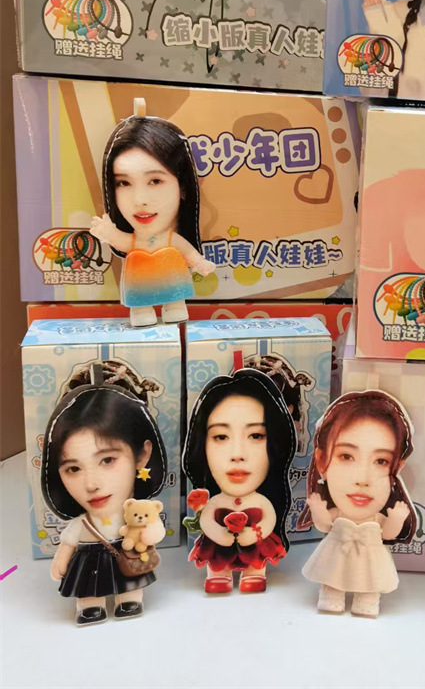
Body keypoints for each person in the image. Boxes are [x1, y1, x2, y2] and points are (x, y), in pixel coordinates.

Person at [42, 362, 167, 625]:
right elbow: (69, 542)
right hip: (88, 557)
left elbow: (153, 532)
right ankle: (90, 607)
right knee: (88, 587)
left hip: (127, 551)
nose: (91, 485)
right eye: (73, 468)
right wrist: (62, 559)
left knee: (129, 582)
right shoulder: (81, 523)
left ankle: (129, 600)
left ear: (142, 454)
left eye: (107, 460)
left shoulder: (135, 513)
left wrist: (151, 531)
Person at [90, 109, 215, 327]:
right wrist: (109, 233)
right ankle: (141, 310)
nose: (140, 201)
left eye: (155, 181)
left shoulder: (171, 239)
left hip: (172, 284)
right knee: (141, 301)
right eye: (124, 183)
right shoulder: (136, 241)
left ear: (183, 186)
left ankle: (174, 306)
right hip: (140, 286)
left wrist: (200, 263)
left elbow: (188, 252)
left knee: (175, 302)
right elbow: (122, 241)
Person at [301, 390, 416, 618]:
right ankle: (331, 596)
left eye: (381, 461)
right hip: (337, 554)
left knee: (370, 582)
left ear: (397, 468)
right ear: (322, 461)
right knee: (333, 576)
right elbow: (324, 525)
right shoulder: (338, 512)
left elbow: (388, 534)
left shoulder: (376, 517)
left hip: (371, 558)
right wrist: (318, 509)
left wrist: (396, 519)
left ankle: (366, 602)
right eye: (346, 456)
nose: (363, 479)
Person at [182, 368, 296, 594]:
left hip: (254, 544)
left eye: (256, 435)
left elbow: (268, 520)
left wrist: (255, 534)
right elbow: (207, 522)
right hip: (220, 545)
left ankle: (254, 574)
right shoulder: (214, 502)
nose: (237, 454)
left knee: (257, 560)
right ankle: (218, 575)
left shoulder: (262, 501)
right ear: (202, 445)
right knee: (217, 559)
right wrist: (219, 534)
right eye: (220, 436)